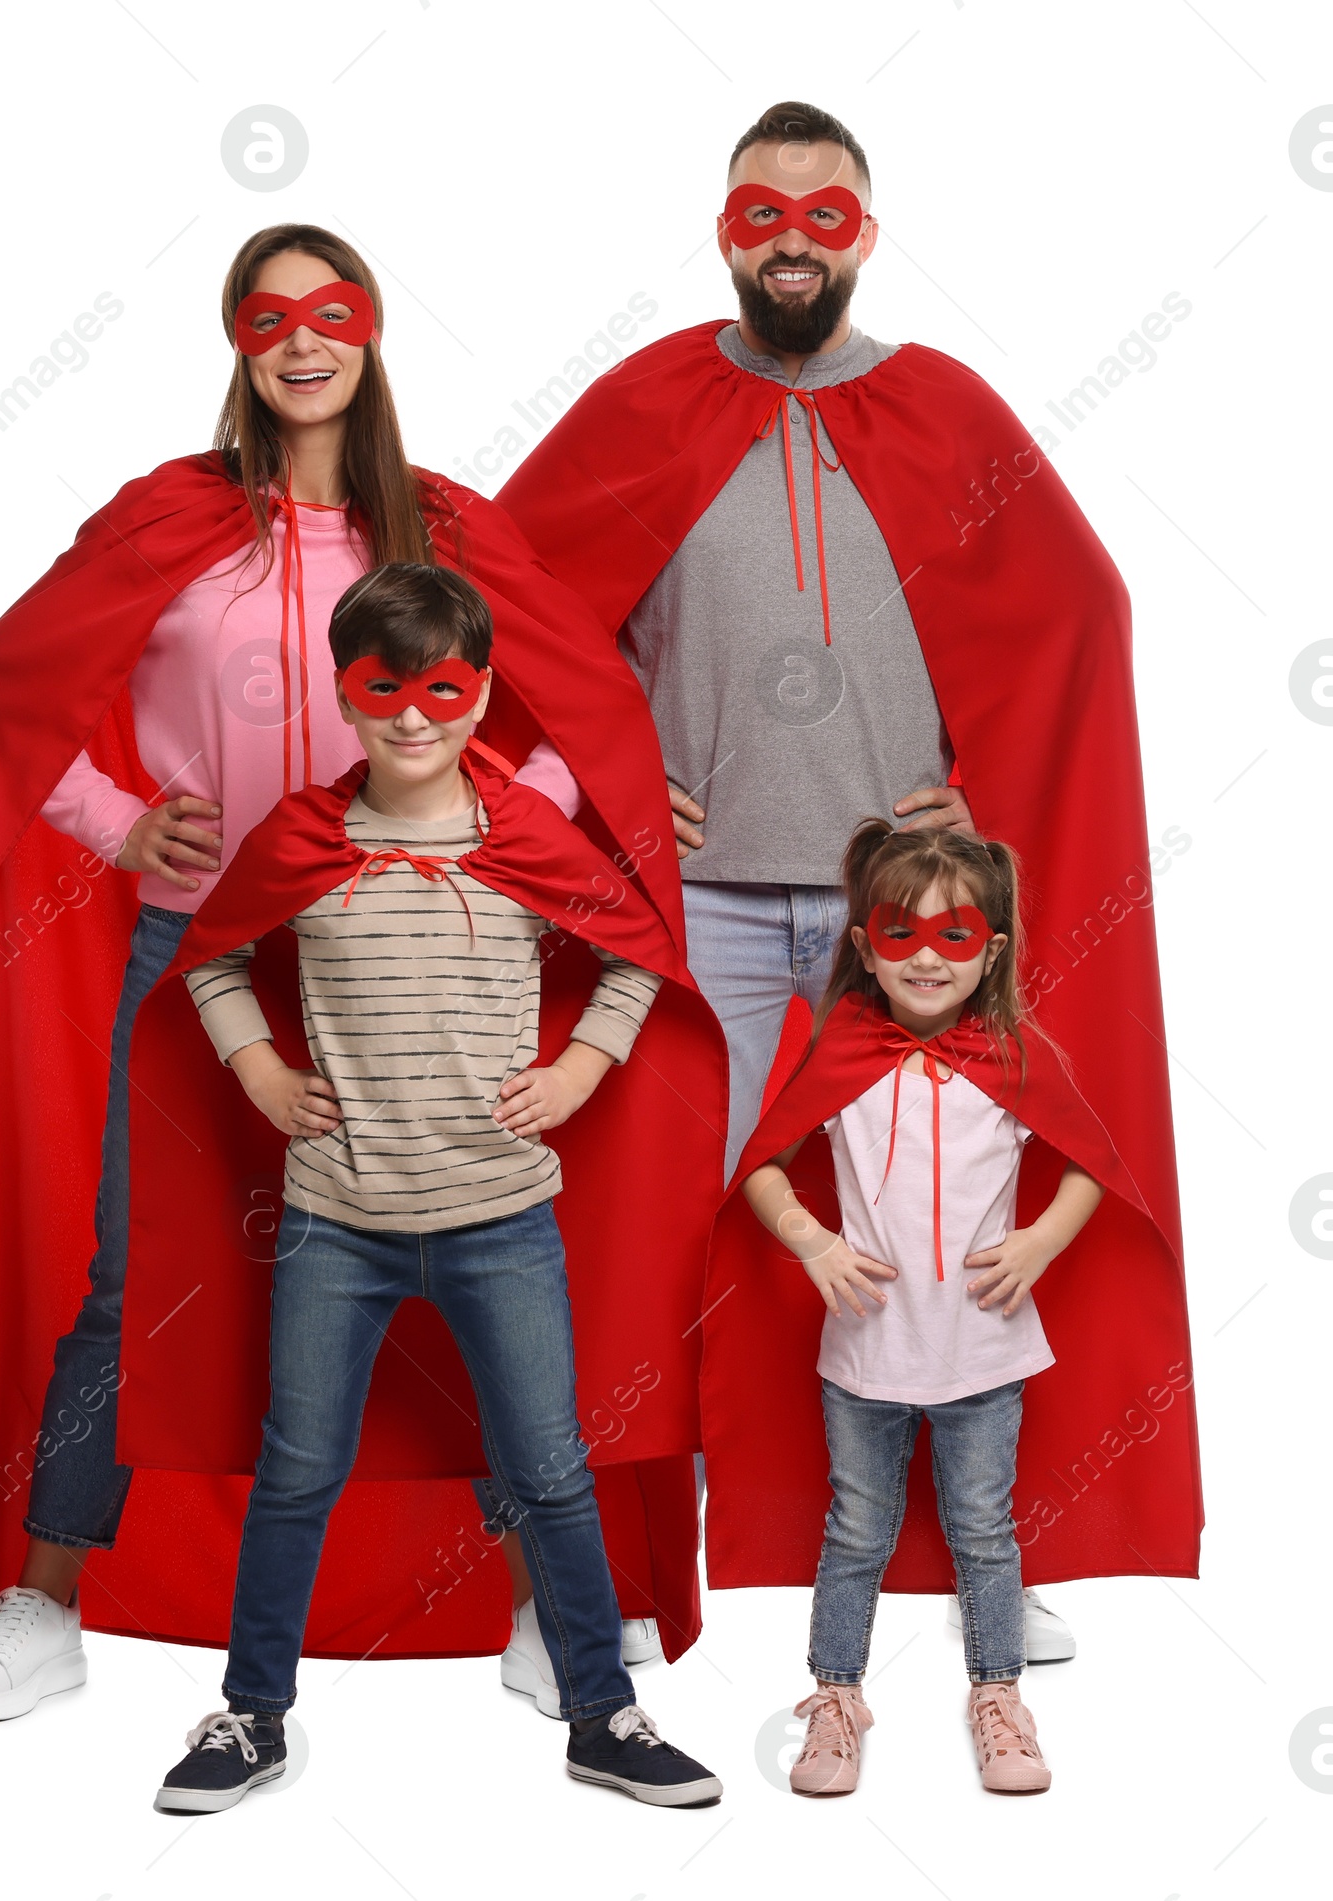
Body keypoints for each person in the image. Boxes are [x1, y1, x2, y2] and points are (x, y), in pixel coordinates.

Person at [0, 224, 719, 1721]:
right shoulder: (167, 520)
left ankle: (539, 1610)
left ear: (373, 334)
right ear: (241, 342)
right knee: (135, 1273)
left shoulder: (442, 528)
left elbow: (592, 711)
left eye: (333, 314)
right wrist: (124, 823)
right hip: (203, 947)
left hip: (423, 950)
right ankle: (45, 1599)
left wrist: (527, 833)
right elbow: (7, 690)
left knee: (470, 1269)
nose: (303, 341)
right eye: (272, 317)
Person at [497, 99, 1201, 1652]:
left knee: (934, 1227)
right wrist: (602, 785)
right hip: (705, 921)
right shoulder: (647, 405)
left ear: (865, 238)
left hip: (903, 933)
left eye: (828, 214)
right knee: (649, 1230)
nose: (795, 239)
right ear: (726, 229)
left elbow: (1075, 613)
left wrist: (984, 790)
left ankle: (969, 1565)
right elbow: (501, 612)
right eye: (764, 212)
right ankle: (589, 1590)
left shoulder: (944, 410)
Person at [150, 564, 721, 1810]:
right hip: (333, 1222)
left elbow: (637, 951)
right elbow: (211, 956)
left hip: (502, 1218)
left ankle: (601, 1715)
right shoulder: (304, 834)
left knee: (550, 1468)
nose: (414, 717)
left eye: (444, 688)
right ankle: (251, 1716)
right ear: (346, 697)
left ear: (483, 694)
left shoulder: (524, 836)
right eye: (384, 690)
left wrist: (581, 1066)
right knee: (298, 1466)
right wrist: (257, 1067)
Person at [741, 821, 1110, 1793]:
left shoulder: (1014, 1056)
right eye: (900, 933)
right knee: (855, 1528)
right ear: (864, 944)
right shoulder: (841, 1055)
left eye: (955, 936)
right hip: (864, 1352)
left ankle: (996, 1693)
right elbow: (761, 1168)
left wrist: (1038, 1240)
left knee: (983, 1531)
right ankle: (833, 1697)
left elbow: (1091, 1168)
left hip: (984, 1352)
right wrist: (812, 1239)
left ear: (990, 948)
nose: (927, 959)